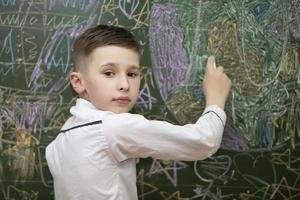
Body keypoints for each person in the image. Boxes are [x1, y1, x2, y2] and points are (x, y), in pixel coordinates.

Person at [45, 25, 232, 200]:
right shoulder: (114, 128)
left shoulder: (59, 142)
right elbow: (204, 141)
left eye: (132, 74)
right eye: (109, 73)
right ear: (78, 82)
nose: (125, 85)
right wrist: (215, 99)